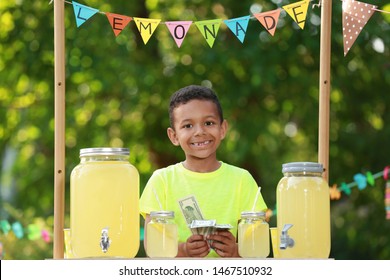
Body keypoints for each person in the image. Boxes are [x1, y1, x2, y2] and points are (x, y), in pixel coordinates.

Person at [139, 85, 267, 257]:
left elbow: (257, 248)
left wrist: (236, 251)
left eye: (208, 123)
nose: (200, 132)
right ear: (174, 136)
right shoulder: (161, 180)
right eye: (187, 126)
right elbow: (152, 245)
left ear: (222, 129)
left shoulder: (242, 180)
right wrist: (183, 250)